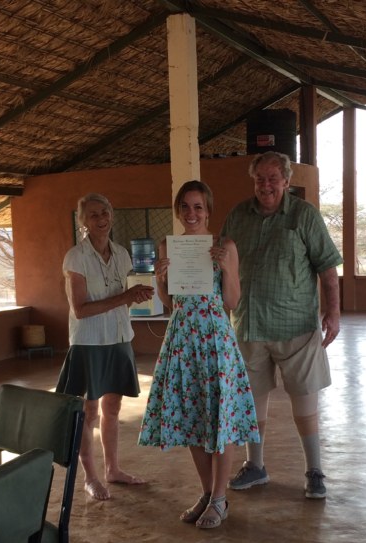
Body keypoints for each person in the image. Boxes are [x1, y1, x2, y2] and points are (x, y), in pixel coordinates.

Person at [221, 151, 343, 499]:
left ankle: (314, 471)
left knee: (304, 402)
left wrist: (333, 313)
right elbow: (222, 265)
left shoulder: (304, 216)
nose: (266, 185)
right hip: (248, 326)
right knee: (252, 402)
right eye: (260, 178)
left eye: (274, 178)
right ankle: (255, 466)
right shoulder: (237, 217)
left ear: (287, 181)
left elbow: (328, 269)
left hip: (297, 328)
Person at [138, 180, 259, 529]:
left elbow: (232, 302)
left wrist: (228, 268)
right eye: (185, 207)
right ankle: (208, 494)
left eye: (198, 207)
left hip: (215, 339)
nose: (191, 214)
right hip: (182, 338)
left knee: (219, 418)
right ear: (178, 210)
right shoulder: (168, 246)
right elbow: (170, 301)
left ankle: (220, 498)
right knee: (191, 418)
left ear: (208, 211)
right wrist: (160, 278)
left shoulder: (225, 246)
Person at [56, 192, 154, 501]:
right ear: (83, 221)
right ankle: (91, 477)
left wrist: (135, 296)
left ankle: (113, 469)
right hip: (89, 342)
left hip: (119, 338)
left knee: (113, 407)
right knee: (88, 411)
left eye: (105, 212)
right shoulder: (76, 257)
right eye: (94, 214)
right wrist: (126, 297)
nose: (101, 219)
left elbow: (120, 300)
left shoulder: (123, 254)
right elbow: (80, 309)